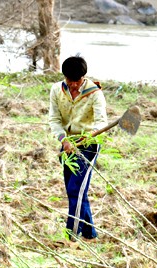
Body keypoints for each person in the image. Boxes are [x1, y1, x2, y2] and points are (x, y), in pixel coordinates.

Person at [49, 55, 107, 242]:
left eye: (77, 81)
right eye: (69, 80)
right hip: (67, 145)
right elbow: (54, 120)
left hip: (89, 145)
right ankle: (90, 233)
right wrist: (63, 139)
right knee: (75, 189)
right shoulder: (56, 90)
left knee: (76, 189)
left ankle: (71, 236)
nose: (73, 85)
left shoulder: (95, 93)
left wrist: (90, 136)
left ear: (83, 78)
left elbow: (101, 122)